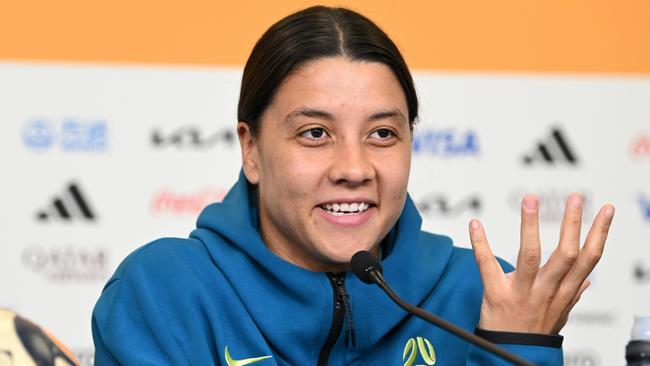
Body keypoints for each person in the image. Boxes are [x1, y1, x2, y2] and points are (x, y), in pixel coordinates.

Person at [91, 6, 615, 365]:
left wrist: (518, 346)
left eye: (382, 133)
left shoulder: (490, 299)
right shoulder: (163, 292)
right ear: (251, 149)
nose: (355, 167)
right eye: (315, 133)